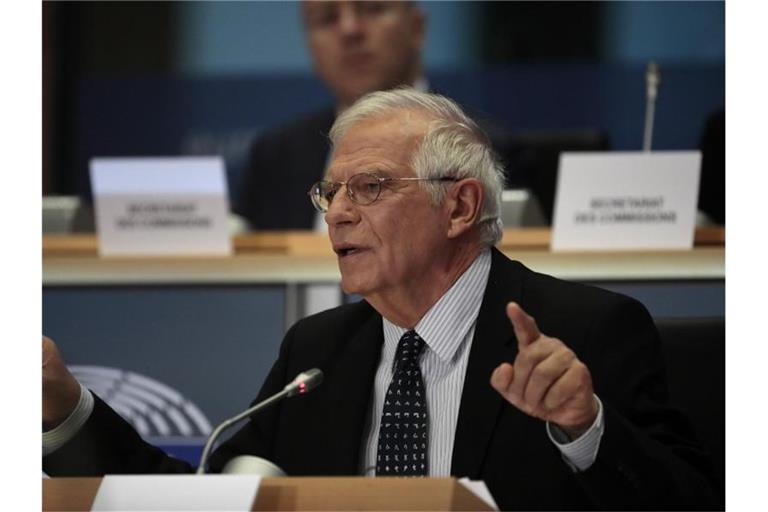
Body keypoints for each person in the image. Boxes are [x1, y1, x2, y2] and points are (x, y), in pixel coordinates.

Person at [43, 89, 717, 510]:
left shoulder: (587, 331)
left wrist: (583, 425)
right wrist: (69, 412)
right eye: (328, 194)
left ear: (459, 205)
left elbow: (687, 503)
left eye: (367, 187)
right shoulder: (318, 352)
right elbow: (211, 502)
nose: (336, 214)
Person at [233, 0, 513, 231]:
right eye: (328, 18)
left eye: (371, 8)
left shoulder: (481, 147)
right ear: (310, 44)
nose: (349, 29)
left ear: (417, 28)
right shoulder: (276, 156)